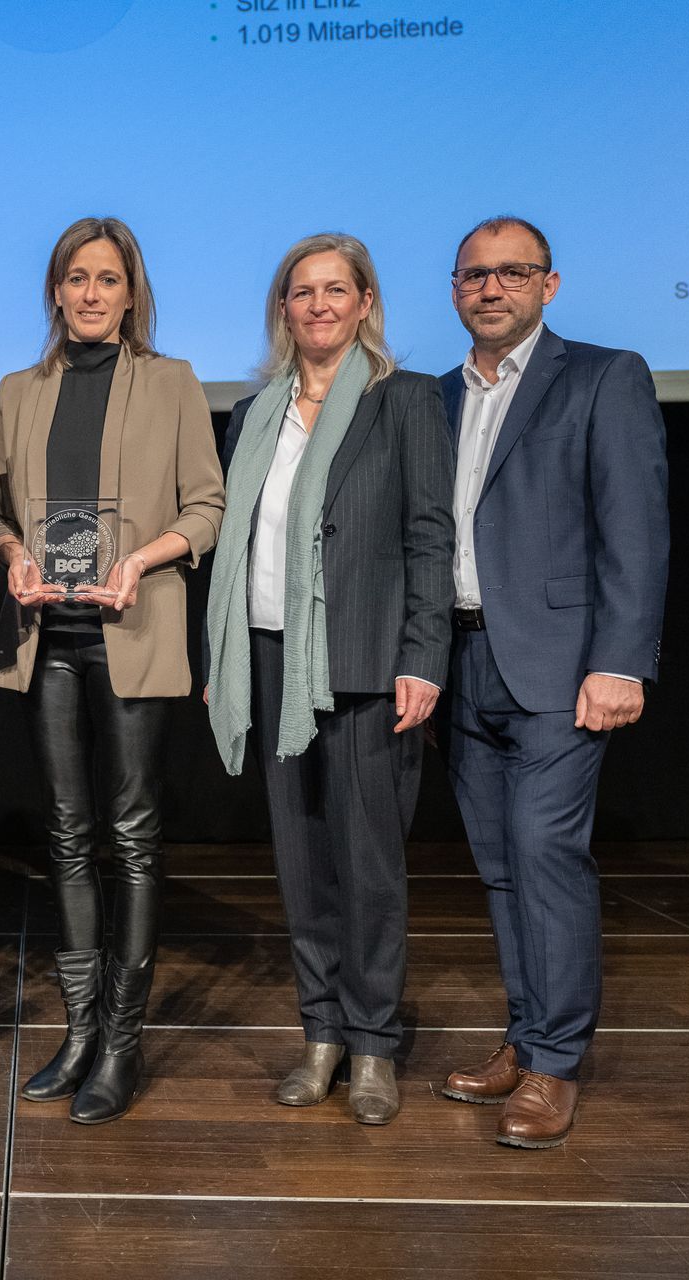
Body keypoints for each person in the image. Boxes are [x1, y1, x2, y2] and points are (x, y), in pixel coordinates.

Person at [203, 233, 453, 1125]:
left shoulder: (405, 401)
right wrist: (224, 658)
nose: (318, 305)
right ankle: (322, 1033)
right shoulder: (254, 413)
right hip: (270, 658)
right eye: (301, 292)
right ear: (284, 308)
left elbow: (431, 536)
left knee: (369, 865)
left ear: (365, 303)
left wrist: (423, 657)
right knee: (303, 862)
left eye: (335, 290)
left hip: (366, 663)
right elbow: (239, 548)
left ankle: (374, 1043)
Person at [0, 217, 224, 1125]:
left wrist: (142, 559)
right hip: (44, 636)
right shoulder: (18, 391)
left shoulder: (172, 382)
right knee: (65, 834)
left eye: (108, 279)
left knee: (131, 835)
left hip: (132, 627)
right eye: (77, 278)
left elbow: (207, 506)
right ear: (56, 291)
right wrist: (14, 553)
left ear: (131, 294)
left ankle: (123, 1042)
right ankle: (80, 1031)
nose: (91, 293)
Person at [438, 216, 669, 1148]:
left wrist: (621, 661)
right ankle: (526, 1035)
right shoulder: (438, 395)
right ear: (455, 290)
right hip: (461, 661)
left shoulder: (604, 377)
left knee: (545, 853)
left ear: (549, 285)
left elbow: (636, 529)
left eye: (512, 272)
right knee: (499, 864)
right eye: (474, 276)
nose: (491, 289)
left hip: (562, 665)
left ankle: (556, 1065)